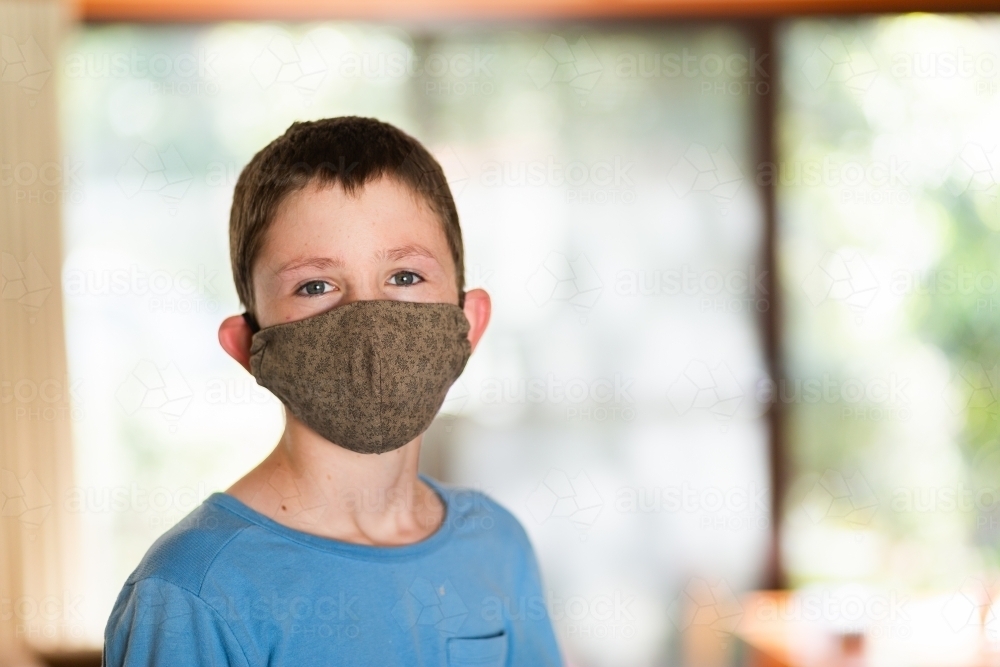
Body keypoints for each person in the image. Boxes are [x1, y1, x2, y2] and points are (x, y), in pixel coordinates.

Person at [103, 116, 563, 666]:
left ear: (470, 323)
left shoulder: (496, 546)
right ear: (249, 345)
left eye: (405, 276)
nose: (369, 319)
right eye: (315, 286)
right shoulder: (191, 593)